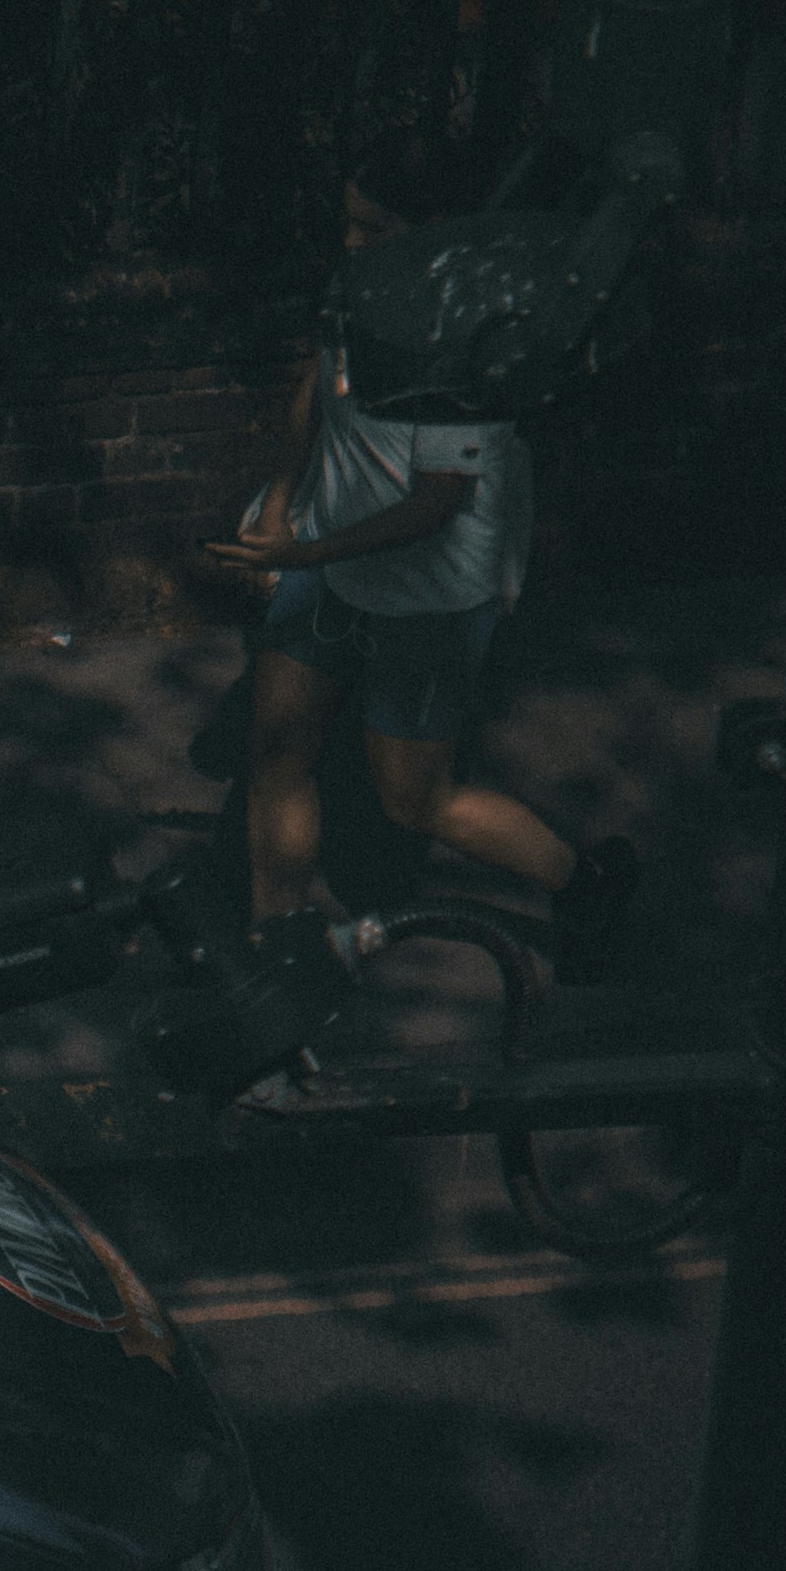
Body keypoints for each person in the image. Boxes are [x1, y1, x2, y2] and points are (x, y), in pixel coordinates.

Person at [202, 141, 638, 979]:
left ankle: (585, 881)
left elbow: (433, 506)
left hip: (426, 596)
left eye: (371, 227)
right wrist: (285, 500)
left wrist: (307, 547)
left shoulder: (471, 337)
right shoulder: (362, 287)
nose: (353, 245)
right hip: (325, 562)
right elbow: (315, 381)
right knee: (276, 749)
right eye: (348, 225)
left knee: (413, 799)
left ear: (431, 235)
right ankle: (273, 941)